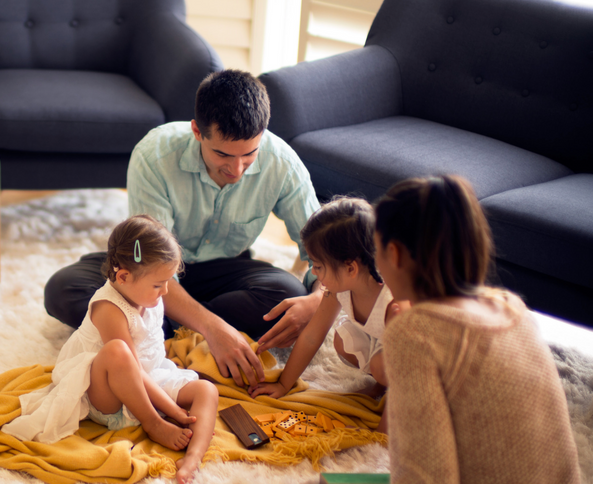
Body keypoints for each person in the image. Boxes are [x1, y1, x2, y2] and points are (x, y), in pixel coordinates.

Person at [45, 69, 323, 389]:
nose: (236, 169)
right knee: (63, 289)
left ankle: (158, 329)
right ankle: (188, 328)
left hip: (224, 270)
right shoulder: (154, 155)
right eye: (222, 154)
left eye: (250, 154)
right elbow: (147, 263)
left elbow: (322, 249)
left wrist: (316, 300)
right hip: (151, 271)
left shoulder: (283, 164)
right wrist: (214, 328)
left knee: (290, 293)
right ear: (197, 131)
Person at [374, 175, 581, 483]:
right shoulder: (513, 308)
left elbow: (426, 474)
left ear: (395, 253)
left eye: (376, 251)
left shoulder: (414, 332)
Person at [3, 215, 219, 484]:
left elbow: (147, 365)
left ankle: (192, 458)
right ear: (124, 276)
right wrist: (173, 412)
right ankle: (153, 423)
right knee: (117, 350)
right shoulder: (109, 308)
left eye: (168, 281)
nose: (165, 291)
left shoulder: (150, 294)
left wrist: (171, 395)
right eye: (158, 284)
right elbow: (132, 367)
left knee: (207, 389)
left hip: (149, 378)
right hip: (107, 393)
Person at [250, 197, 405, 431]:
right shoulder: (338, 286)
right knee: (343, 342)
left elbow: (407, 369)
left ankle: (384, 384)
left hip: (422, 358)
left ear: (350, 268)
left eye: (318, 266)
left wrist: (384, 432)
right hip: (386, 343)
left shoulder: (395, 304)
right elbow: (313, 334)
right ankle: (381, 383)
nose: (313, 272)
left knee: (382, 365)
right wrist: (283, 384)